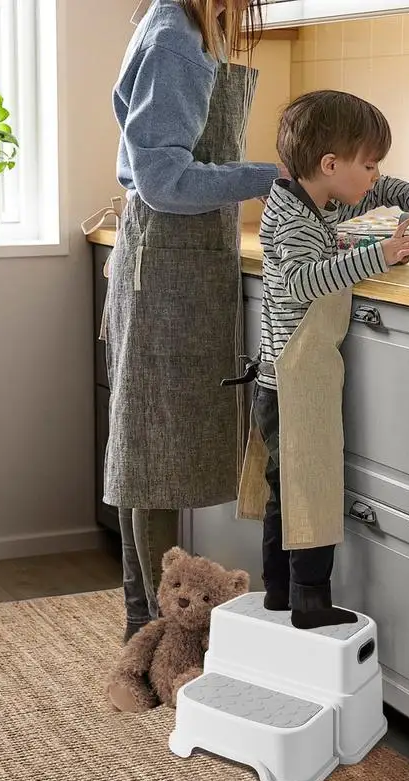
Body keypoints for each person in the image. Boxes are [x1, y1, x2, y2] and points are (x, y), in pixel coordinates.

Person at [104, 0, 286, 643]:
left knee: (146, 453)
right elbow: (163, 178)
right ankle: (157, 631)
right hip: (167, 268)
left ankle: (146, 630)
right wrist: (274, 177)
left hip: (169, 260)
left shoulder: (170, 27)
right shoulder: (177, 42)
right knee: (153, 455)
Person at [245, 90, 409, 629]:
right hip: (293, 379)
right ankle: (309, 602)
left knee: (287, 490)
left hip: (287, 374)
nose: (376, 174)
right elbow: (303, 281)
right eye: (368, 162)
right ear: (331, 165)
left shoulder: (321, 197)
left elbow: (383, 190)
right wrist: (377, 254)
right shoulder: (293, 219)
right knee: (310, 484)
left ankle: (279, 593)